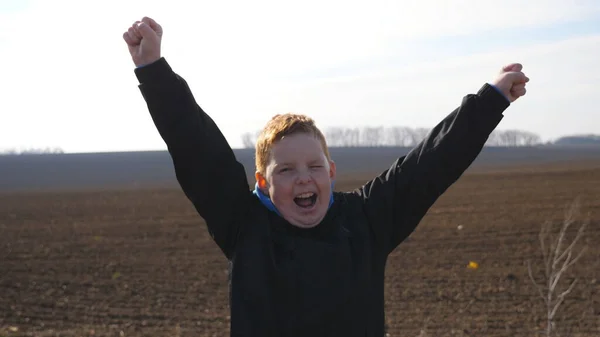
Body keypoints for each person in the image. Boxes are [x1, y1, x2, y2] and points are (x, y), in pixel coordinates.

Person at [123, 17, 529, 337]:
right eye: (286, 170)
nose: (304, 179)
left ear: (331, 173)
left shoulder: (366, 221)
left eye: (314, 167)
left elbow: (430, 164)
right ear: (262, 184)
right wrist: (154, 71)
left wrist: (490, 100)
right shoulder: (244, 226)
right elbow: (197, 149)